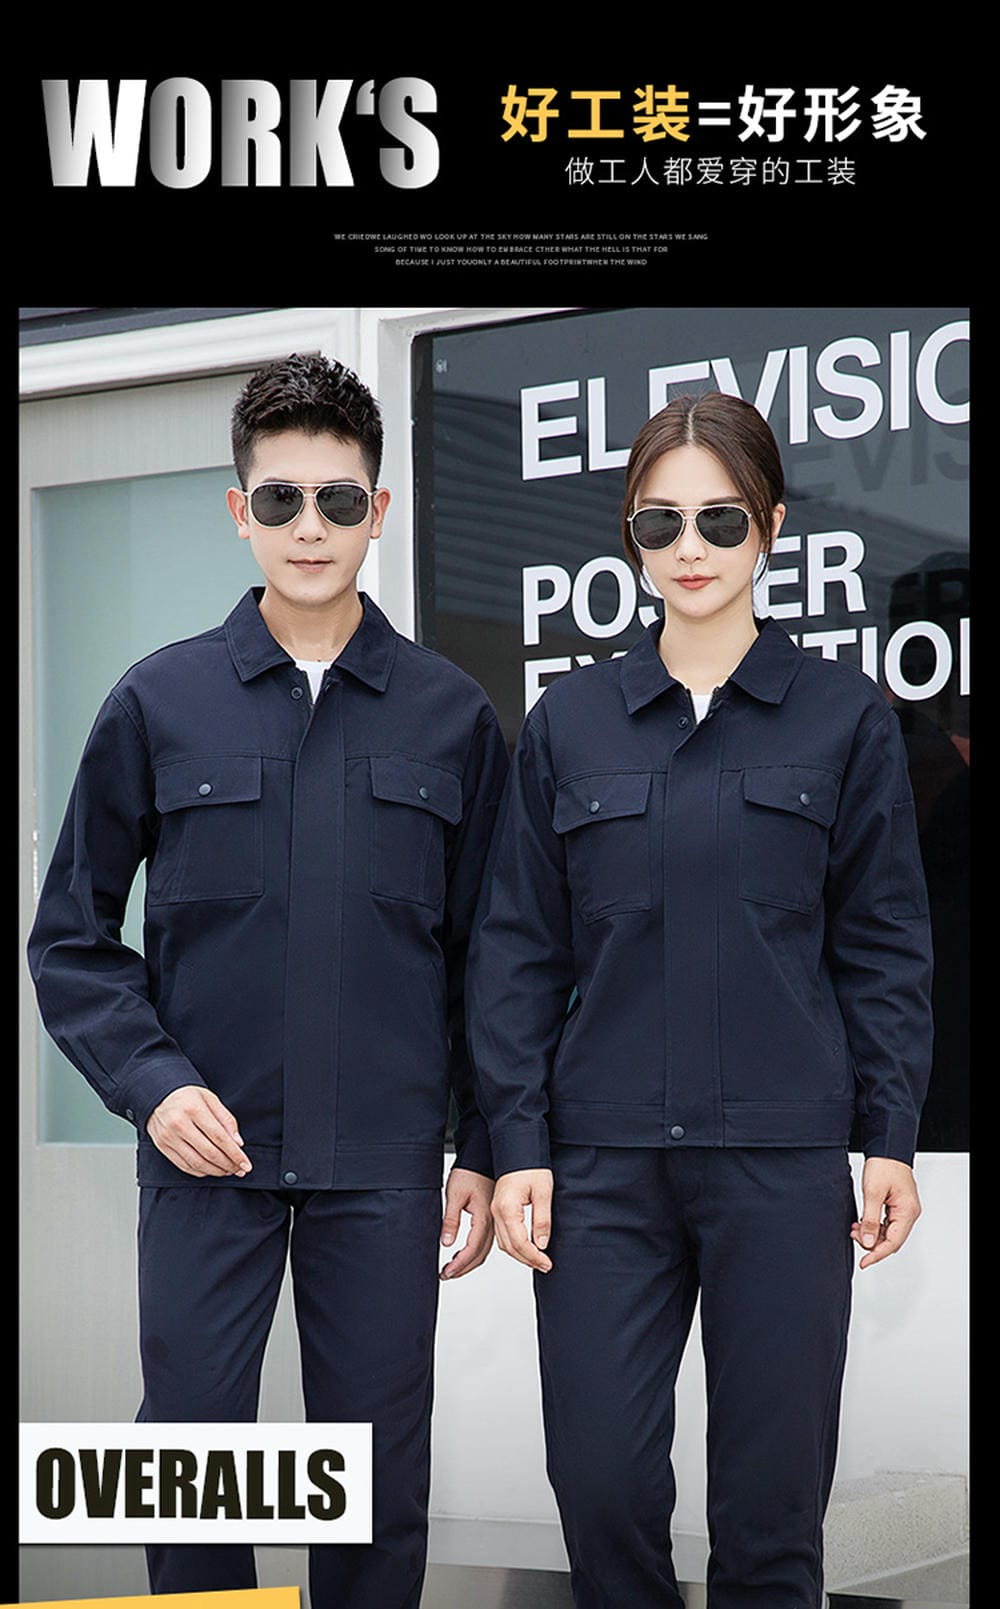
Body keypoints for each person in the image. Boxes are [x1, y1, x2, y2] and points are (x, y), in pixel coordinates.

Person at [27, 352, 509, 1608]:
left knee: (374, 1477)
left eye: (338, 500)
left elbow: (491, 956)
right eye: (282, 498)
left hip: (382, 1160)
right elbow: (70, 934)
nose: (310, 527)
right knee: (193, 1462)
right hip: (208, 1152)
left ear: (377, 511)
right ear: (239, 510)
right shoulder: (158, 702)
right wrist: (151, 1083)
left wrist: (483, 1142)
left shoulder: (453, 717)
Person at [467, 391, 933, 1609]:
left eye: (721, 519)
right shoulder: (570, 723)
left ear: (770, 526)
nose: (690, 548)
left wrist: (888, 1135)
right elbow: (516, 949)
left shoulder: (843, 717)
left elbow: (883, 945)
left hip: (778, 1161)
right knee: (601, 1487)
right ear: (628, 535)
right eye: (659, 522)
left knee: (772, 1514)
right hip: (602, 1167)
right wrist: (516, 1144)